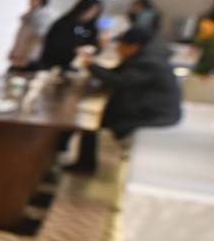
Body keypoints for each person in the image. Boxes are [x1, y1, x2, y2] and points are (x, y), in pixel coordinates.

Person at [64, 28, 182, 173]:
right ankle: (83, 161)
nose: (118, 49)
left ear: (135, 46)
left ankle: (84, 163)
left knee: (95, 119)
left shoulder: (149, 62)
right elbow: (117, 75)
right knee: (94, 117)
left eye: (121, 45)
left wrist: (92, 65)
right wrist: (94, 66)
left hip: (154, 115)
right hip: (149, 109)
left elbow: (119, 81)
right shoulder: (146, 57)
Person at [35, 0, 102, 71]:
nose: (90, 14)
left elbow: (93, 44)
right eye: (89, 11)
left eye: (94, 12)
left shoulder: (91, 28)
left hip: (77, 66)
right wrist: (75, 49)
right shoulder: (64, 23)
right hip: (53, 64)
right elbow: (53, 44)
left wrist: (96, 47)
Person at [8, 0, 54, 70]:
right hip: (20, 54)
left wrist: (25, 57)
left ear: (41, 0)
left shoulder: (43, 17)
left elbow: (36, 39)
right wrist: (14, 53)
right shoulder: (30, 15)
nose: (31, 2)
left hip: (29, 59)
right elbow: (21, 38)